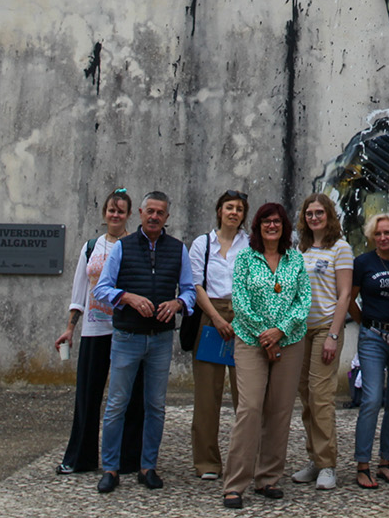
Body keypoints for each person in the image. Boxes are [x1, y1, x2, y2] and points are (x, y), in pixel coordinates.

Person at [92, 190, 197, 494]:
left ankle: (147, 466)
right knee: (116, 405)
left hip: (161, 339)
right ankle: (110, 468)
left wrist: (178, 303)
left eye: (160, 213)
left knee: (156, 406)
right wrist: (127, 297)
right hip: (127, 336)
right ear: (139, 212)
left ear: (166, 217)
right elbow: (102, 289)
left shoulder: (178, 249)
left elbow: (190, 291)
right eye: (149, 211)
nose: (154, 217)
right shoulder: (122, 248)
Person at [223, 202, 312, 509]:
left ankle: (268, 478)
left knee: (279, 411)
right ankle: (235, 483)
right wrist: (265, 334)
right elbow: (240, 301)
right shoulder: (246, 258)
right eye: (265, 221)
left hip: (289, 341)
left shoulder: (295, 258)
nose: (272, 226)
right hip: (251, 340)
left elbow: (304, 301)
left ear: (284, 226)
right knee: (249, 409)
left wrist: (280, 331)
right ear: (258, 226)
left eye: (277, 221)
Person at [56, 189, 145, 476]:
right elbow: (80, 291)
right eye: (111, 210)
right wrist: (70, 328)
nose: (115, 215)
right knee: (87, 395)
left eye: (121, 211)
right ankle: (80, 457)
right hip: (95, 330)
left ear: (129, 215)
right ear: (104, 213)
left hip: (125, 330)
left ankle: (127, 459)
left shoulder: (135, 245)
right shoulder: (91, 246)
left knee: (130, 397)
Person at [290, 193, 354, 489]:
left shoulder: (340, 248)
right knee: (305, 396)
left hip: (324, 329)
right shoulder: (299, 248)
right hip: (299, 330)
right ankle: (314, 459)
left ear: (329, 215)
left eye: (319, 212)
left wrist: (333, 335)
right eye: (309, 213)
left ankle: (328, 463)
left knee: (321, 396)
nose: (314, 217)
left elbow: (344, 294)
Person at [190, 189, 250, 480]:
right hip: (210, 316)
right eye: (229, 207)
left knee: (247, 396)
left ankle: (245, 461)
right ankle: (207, 462)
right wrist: (215, 319)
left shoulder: (251, 245)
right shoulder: (202, 244)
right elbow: (194, 285)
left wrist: (243, 318)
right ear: (219, 210)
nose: (234, 212)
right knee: (207, 396)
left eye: (239, 208)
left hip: (244, 317)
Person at [349, 211, 389, 488]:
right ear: (372, 236)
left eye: (388, 233)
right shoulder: (363, 262)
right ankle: (363, 464)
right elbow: (350, 299)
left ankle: (385, 461)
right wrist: (364, 323)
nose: (383, 237)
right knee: (372, 399)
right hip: (372, 335)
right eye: (378, 233)